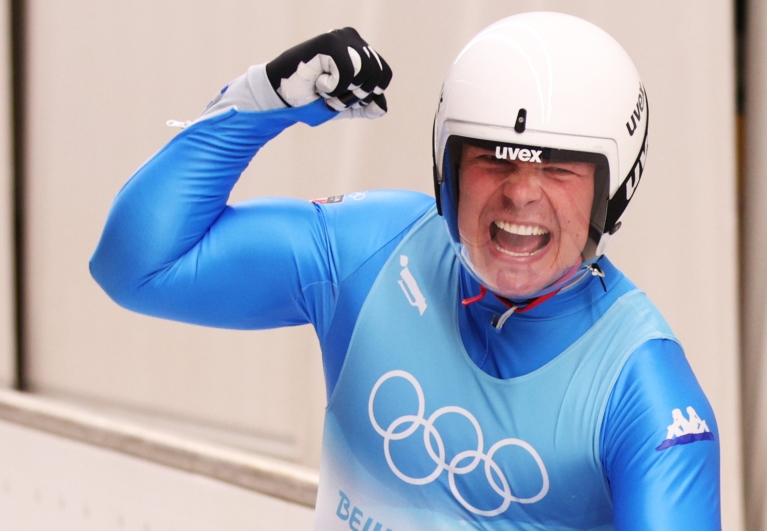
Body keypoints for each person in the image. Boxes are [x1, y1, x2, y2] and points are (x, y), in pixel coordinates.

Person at [91, 12, 720, 530]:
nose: (522, 193)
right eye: (493, 158)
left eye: (559, 168)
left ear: (614, 191)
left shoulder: (645, 393)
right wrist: (261, 103)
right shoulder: (377, 249)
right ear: (445, 167)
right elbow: (138, 265)